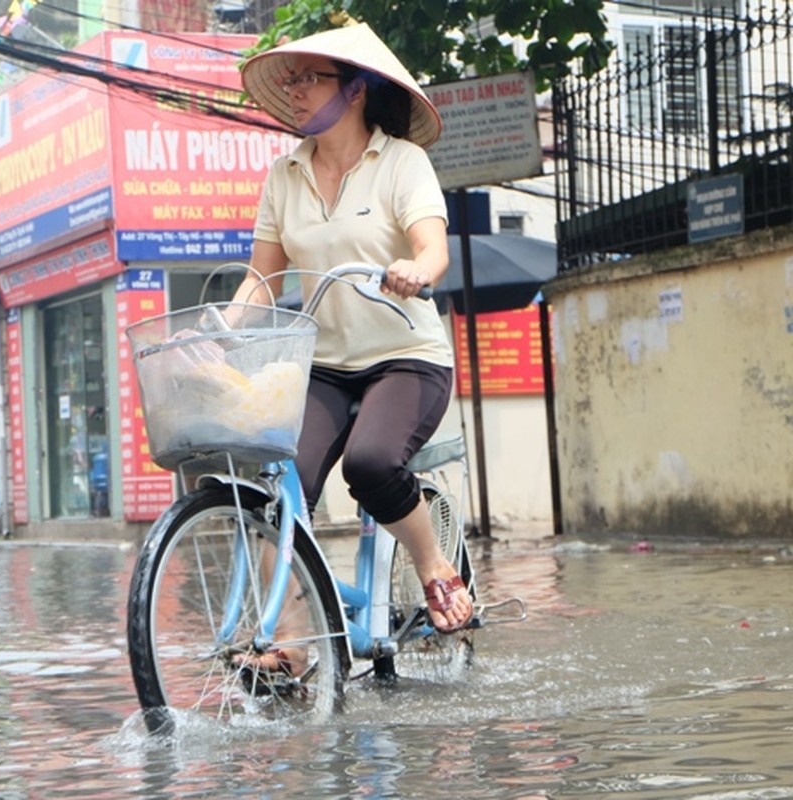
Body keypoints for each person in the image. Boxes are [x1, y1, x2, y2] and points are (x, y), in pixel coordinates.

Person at [235, 23, 474, 663]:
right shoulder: (283, 176)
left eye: (310, 77)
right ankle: (287, 644)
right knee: (275, 488)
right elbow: (261, 279)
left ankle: (433, 567)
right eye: (290, 80)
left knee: (369, 464)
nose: (296, 90)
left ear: (358, 89)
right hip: (325, 366)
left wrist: (416, 271)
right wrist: (221, 333)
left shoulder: (400, 161)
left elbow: (431, 247)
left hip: (406, 357)